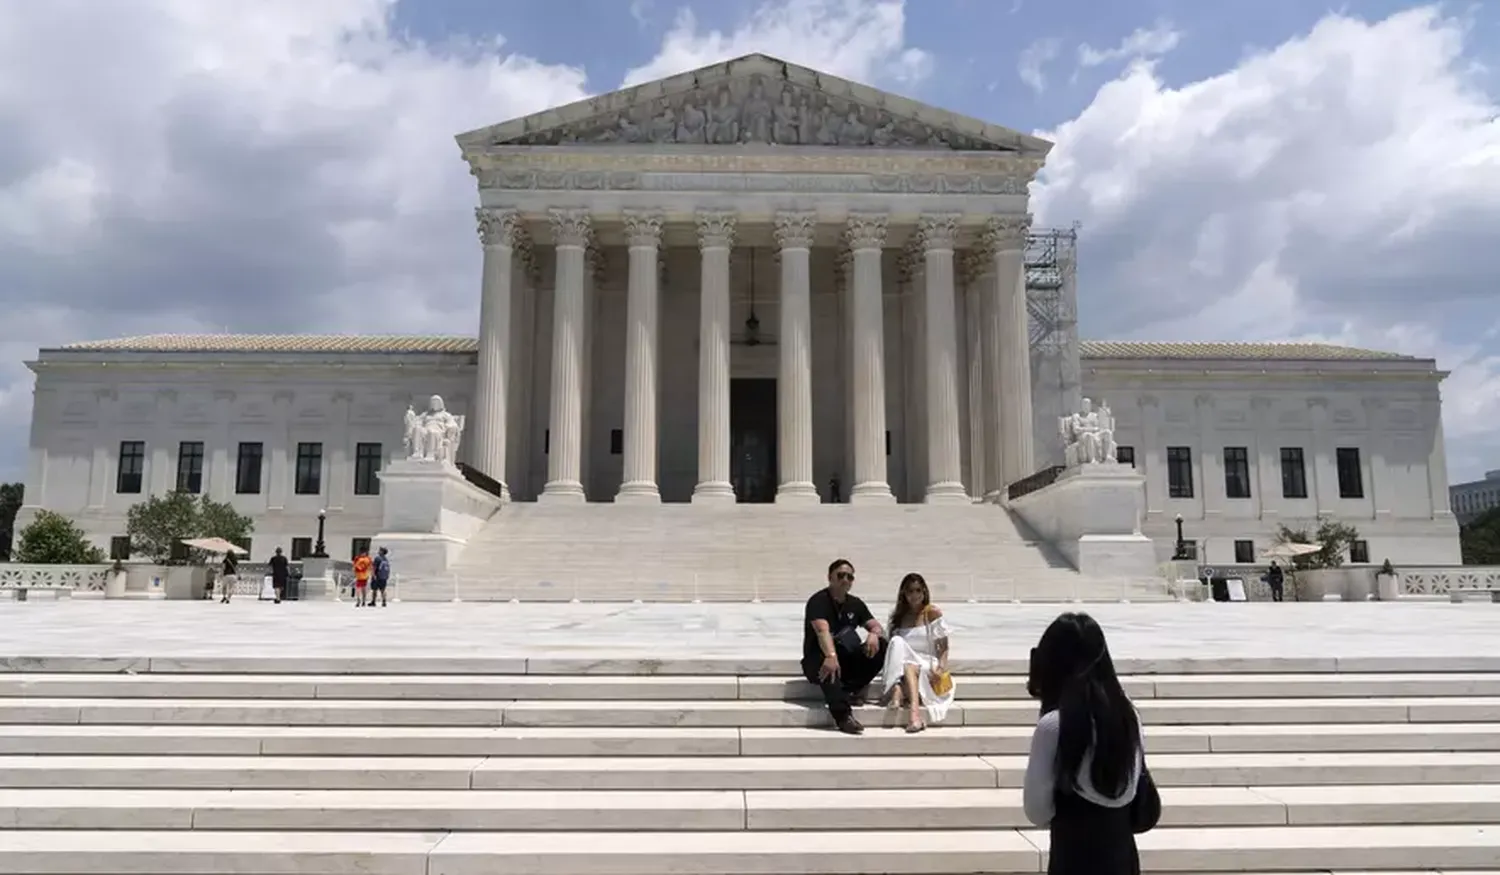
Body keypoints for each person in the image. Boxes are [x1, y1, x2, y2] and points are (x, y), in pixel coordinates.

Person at [1024, 612, 1160, 875]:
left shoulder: (1054, 724)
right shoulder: (1129, 715)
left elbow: (1036, 810)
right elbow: (1130, 790)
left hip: (1072, 854)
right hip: (1121, 853)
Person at [801, 559, 887, 735]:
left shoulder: (855, 603)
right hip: (817, 658)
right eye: (840, 575)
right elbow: (822, 631)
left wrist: (873, 634)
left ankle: (851, 689)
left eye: (850, 577)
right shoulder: (818, 601)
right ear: (830, 577)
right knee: (827, 662)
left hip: (846, 659)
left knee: (883, 645)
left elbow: (876, 626)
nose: (845, 580)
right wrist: (831, 655)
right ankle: (843, 716)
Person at [881, 573, 954, 733]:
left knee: (906, 659)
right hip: (907, 667)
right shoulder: (898, 618)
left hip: (928, 663)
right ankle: (914, 717)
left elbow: (944, 646)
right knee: (896, 643)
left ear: (924, 592)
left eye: (918, 591)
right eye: (910, 591)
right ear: (904, 594)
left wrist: (941, 668)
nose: (914, 595)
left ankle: (898, 691)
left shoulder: (931, 612)